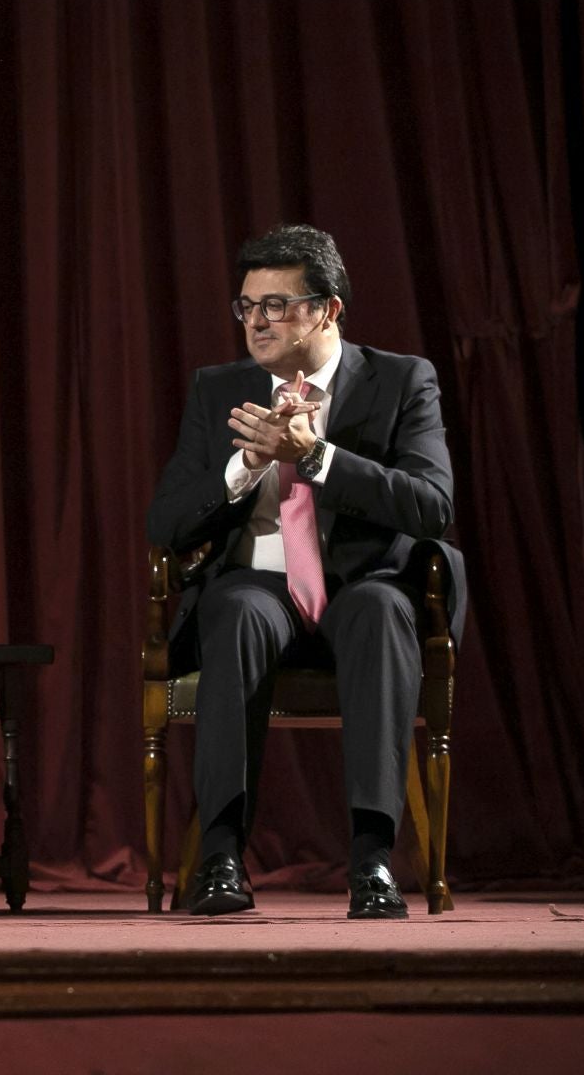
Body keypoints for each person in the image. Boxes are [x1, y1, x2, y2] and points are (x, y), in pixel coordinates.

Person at [147, 224, 466, 919]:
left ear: (328, 309)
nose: (257, 322)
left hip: (360, 585)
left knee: (384, 612)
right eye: (247, 306)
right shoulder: (218, 390)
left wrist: (317, 458)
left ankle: (373, 864)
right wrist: (244, 467)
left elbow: (431, 505)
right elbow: (164, 524)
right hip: (259, 588)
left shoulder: (402, 380)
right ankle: (221, 860)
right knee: (232, 609)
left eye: (277, 305)